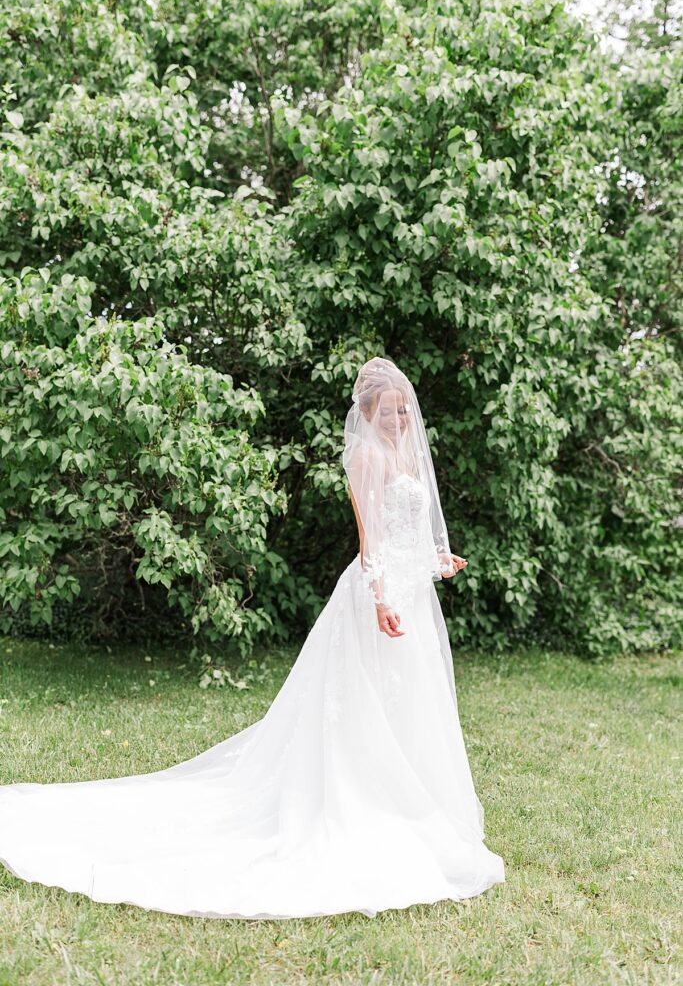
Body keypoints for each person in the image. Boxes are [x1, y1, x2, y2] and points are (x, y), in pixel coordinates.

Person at [0, 357, 505, 919]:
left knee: (407, 703)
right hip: (378, 597)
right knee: (365, 705)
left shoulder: (403, 455)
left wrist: (436, 560)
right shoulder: (366, 457)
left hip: (409, 594)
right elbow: (370, 539)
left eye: (403, 410)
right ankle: (361, 798)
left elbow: (404, 531)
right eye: (387, 411)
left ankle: (405, 802)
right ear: (366, 412)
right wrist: (382, 598)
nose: (397, 420)